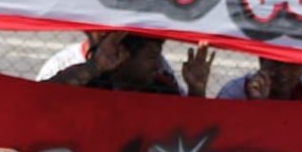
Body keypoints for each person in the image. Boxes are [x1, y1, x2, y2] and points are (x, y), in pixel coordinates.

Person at [39, 31, 213, 97]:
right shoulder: (93, 84)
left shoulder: (161, 88)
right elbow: (44, 98)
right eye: (151, 58)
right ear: (124, 56)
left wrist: (196, 90)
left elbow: (192, 126)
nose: (158, 66)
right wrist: (94, 66)